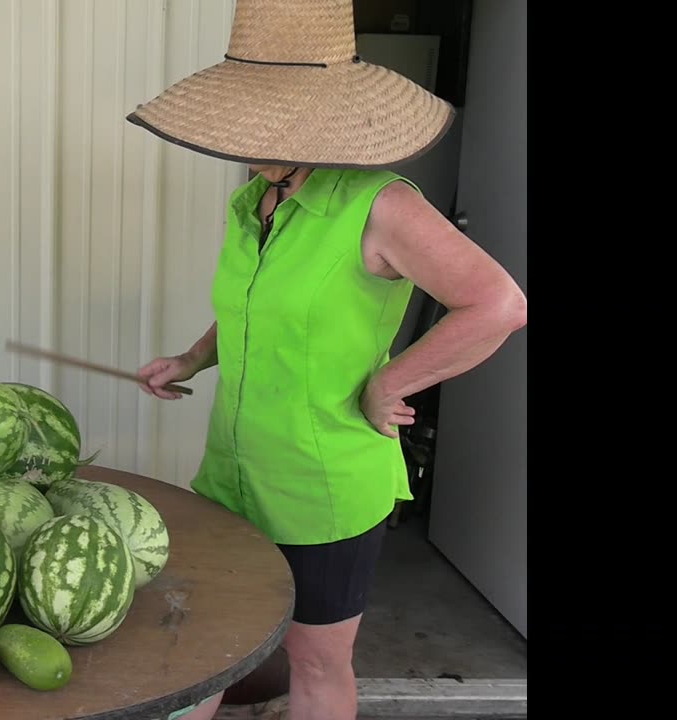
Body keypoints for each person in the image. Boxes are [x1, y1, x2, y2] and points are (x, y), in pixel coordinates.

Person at [131, 2, 527, 720]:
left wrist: (392, 382)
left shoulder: (381, 206)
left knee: (315, 659)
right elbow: (253, 308)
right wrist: (191, 358)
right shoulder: (254, 202)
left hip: (323, 487)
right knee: (208, 641)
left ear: (316, 118)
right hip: (233, 473)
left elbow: (500, 304)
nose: (245, 138)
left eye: (264, 118)